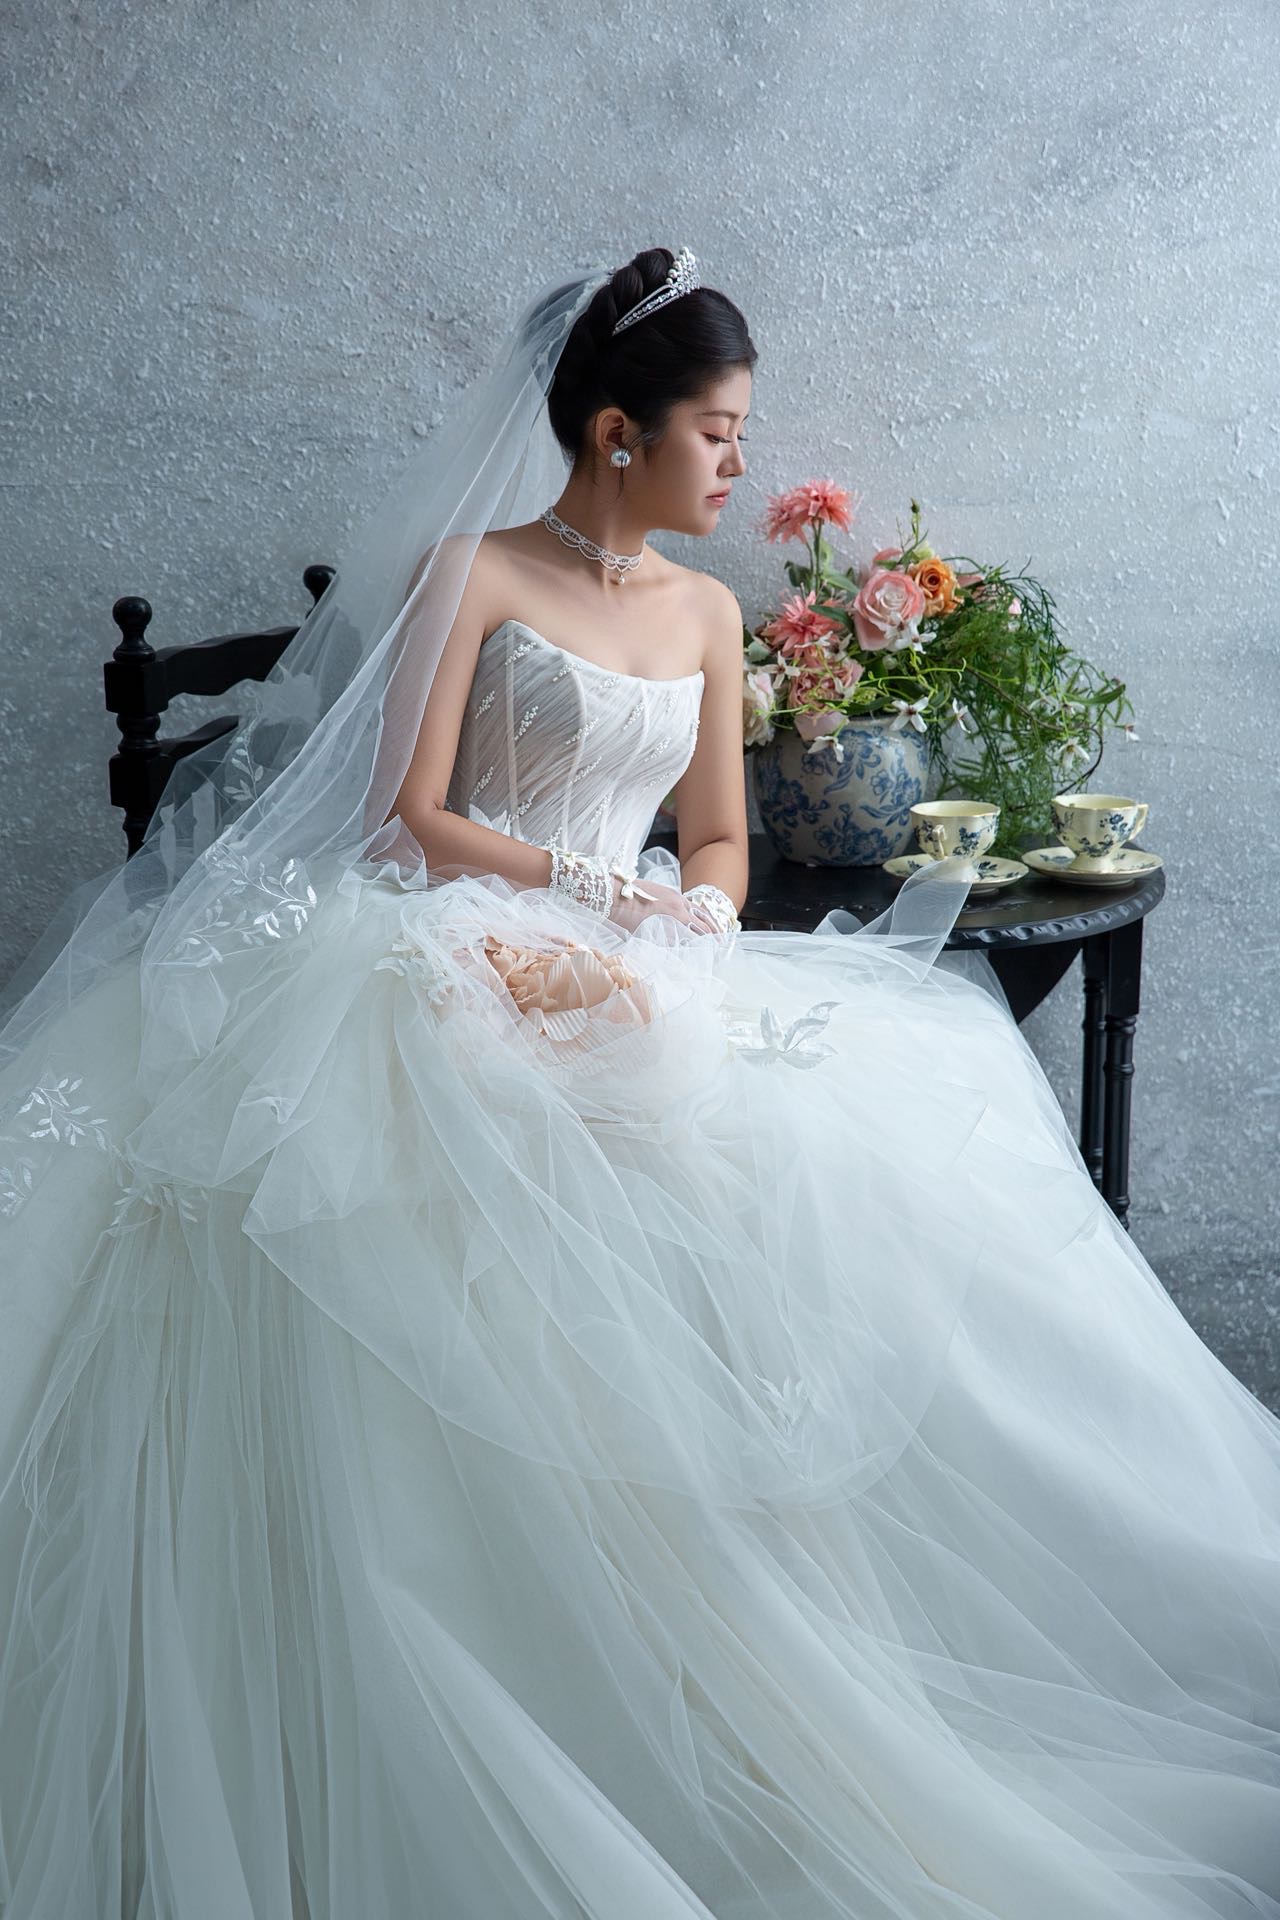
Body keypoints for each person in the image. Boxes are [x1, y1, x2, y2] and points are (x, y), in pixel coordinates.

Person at [0, 244, 1276, 1920]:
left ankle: (748, 1660)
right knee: (444, 1171)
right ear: (620, 433)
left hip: (644, 963)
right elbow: (406, 819)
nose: (739, 464)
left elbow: (724, 841)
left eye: (742, 436)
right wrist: (592, 901)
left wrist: (681, 937)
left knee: (830, 1168)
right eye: (720, 432)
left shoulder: (709, 611)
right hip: (451, 933)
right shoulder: (471, 575)